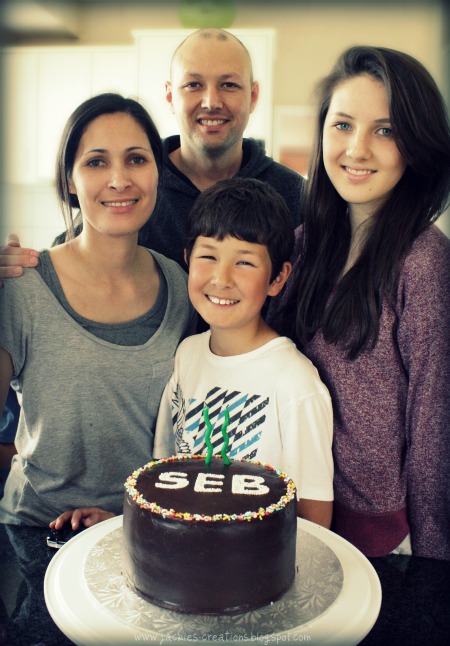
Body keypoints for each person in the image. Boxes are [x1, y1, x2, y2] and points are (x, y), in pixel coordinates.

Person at [267, 46, 450, 559]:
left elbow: (433, 425)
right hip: (288, 510)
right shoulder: (302, 245)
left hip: (377, 534)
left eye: (385, 131)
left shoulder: (425, 262)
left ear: (416, 145)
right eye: (343, 125)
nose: (357, 149)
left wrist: (432, 569)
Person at [0, 93, 196, 529]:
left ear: (157, 173)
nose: (119, 180)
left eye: (136, 159)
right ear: (70, 180)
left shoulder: (182, 287)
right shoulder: (22, 286)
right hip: (33, 530)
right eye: (96, 162)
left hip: (138, 530)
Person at [0, 27, 304, 279]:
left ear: (253, 96)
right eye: (194, 84)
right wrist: (15, 268)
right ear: (170, 97)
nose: (211, 101)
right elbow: (71, 257)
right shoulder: (134, 186)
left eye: (228, 84)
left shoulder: (296, 195)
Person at [153, 177, 334, 528]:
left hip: (258, 560)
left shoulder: (296, 383)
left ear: (277, 278)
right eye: (208, 256)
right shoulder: (187, 354)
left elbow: (314, 520)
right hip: (183, 551)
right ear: (187, 258)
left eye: (245, 263)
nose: (222, 278)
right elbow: (163, 467)